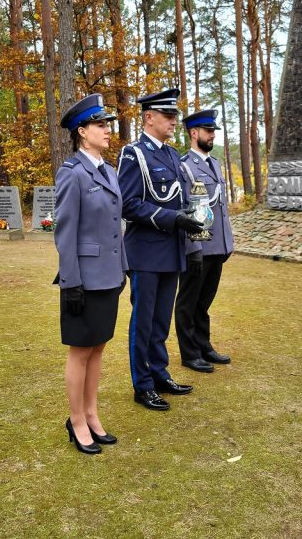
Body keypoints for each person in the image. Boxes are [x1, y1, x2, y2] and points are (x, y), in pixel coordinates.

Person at [117, 88, 205, 411]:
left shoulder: (170, 155)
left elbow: (183, 200)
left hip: (171, 250)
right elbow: (128, 204)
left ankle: (159, 372)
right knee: (144, 319)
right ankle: (142, 384)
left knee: (161, 320)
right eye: (168, 116)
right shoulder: (133, 154)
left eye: (175, 117)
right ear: (149, 117)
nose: (173, 122)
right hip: (145, 252)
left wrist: (192, 225)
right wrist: (173, 219)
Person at [54, 93, 128, 454]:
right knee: (80, 351)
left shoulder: (109, 171)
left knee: (98, 348)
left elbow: (116, 225)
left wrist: (123, 267)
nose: (107, 130)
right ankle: (76, 420)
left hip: (109, 276)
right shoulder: (73, 173)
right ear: (82, 131)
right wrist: (70, 283)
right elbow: (65, 232)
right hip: (83, 277)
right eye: (100, 125)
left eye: (107, 124)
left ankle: (92, 414)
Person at [175, 109, 234, 373]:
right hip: (199, 245)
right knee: (189, 301)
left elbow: (220, 207)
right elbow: (188, 208)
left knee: (205, 300)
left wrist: (227, 244)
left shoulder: (215, 163)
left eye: (214, 132)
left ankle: (204, 345)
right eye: (208, 131)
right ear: (194, 133)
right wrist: (194, 247)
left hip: (217, 245)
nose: (212, 136)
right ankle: (189, 353)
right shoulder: (185, 166)